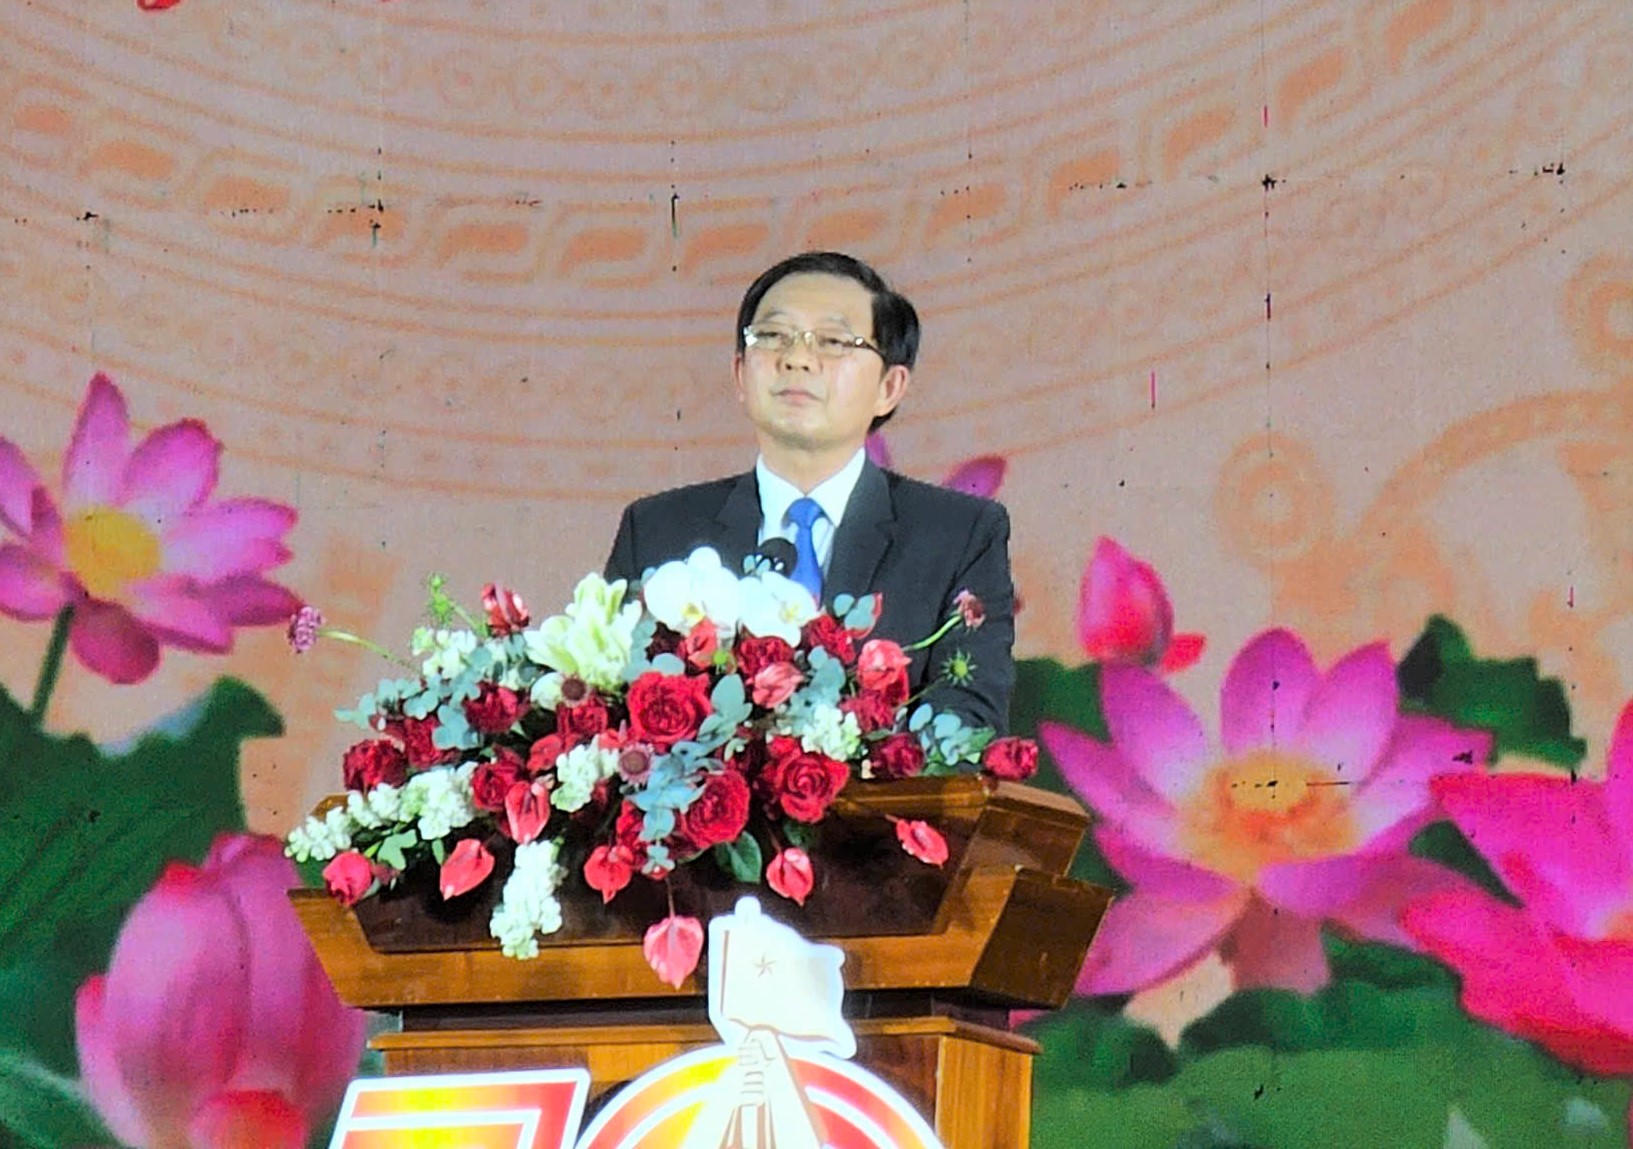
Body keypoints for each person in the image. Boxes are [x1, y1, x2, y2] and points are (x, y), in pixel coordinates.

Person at [604, 251, 1014, 732]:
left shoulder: (960, 534)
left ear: (889, 386)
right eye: (773, 336)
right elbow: (610, 712)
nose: (796, 359)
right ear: (740, 373)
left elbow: (968, 725)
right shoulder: (657, 530)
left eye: (833, 341)